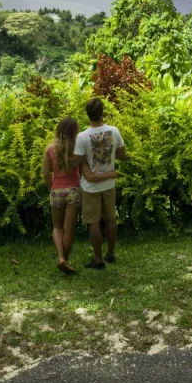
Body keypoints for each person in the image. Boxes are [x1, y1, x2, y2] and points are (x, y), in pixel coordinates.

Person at [43, 117, 113, 274]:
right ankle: (65, 261)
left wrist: (52, 187)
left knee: (57, 227)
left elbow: (46, 173)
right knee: (69, 230)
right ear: (74, 132)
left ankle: (61, 258)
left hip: (56, 191)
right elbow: (84, 170)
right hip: (73, 191)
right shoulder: (77, 149)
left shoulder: (50, 149)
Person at [75, 97, 126, 270]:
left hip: (90, 187)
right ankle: (111, 253)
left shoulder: (82, 137)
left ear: (87, 114)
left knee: (93, 222)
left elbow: (78, 160)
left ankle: (98, 259)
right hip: (109, 183)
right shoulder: (114, 131)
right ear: (102, 113)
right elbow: (121, 153)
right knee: (111, 219)